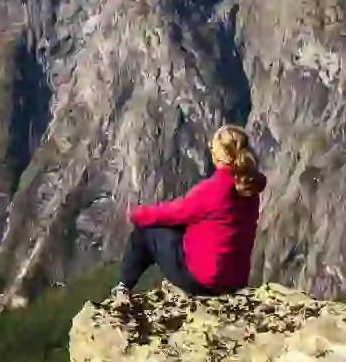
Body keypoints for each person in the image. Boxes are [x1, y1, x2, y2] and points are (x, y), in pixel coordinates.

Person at [112, 124, 266, 304]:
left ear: (218, 155)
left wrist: (136, 214)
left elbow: (173, 213)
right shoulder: (249, 190)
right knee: (184, 227)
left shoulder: (213, 189)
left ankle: (123, 288)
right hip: (235, 283)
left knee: (145, 231)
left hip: (205, 282)